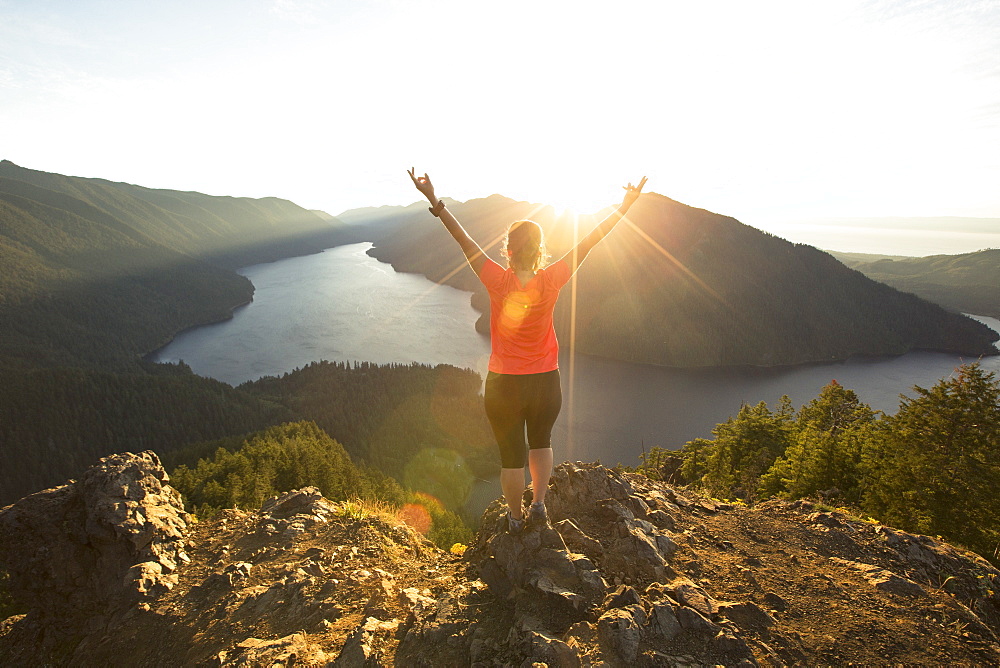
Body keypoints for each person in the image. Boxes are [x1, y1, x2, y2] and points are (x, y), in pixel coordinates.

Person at [408, 168, 647, 534]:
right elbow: (589, 241)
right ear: (540, 251)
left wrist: (433, 200)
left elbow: (464, 240)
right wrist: (625, 207)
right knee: (541, 444)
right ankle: (538, 506)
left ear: (508, 250)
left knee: (510, 458)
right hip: (545, 381)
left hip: (504, 384)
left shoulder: (496, 279)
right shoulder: (551, 279)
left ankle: (515, 519)